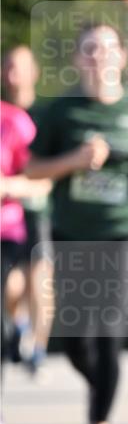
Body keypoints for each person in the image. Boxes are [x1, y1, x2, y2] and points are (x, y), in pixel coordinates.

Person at [24, 23, 128, 424]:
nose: (99, 56)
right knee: (75, 338)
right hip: (73, 233)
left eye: (108, 48)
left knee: (110, 325)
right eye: (90, 49)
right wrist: (74, 161)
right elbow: (31, 170)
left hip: (127, 230)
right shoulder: (60, 112)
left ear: (121, 58)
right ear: (77, 59)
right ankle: (101, 383)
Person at [1, 46, 54, 373]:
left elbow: (49, 171)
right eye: (7, 66)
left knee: (40, 275)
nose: (12, 73)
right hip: (9, 217)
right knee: (12, 284)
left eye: (19, 67)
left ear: (34, 72)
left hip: (40, 210)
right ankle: (17, 326)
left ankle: (38, 347)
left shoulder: (45, 116)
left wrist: (14, 186)